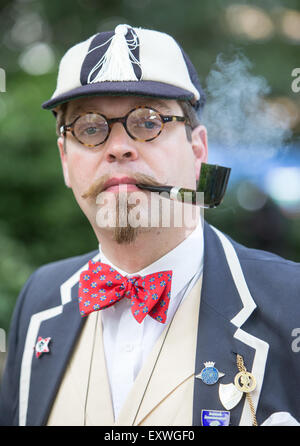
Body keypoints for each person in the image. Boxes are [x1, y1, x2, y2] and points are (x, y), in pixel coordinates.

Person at [0, 24, 299, 427]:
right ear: (66, 162)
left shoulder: (291, 302)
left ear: (198, 152)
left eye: (147, 121)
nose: (118, 146)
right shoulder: (39, 302)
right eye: (90, 128)